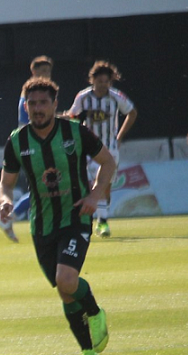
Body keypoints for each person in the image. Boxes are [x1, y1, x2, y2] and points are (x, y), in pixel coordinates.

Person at [0, 77, 116, 355]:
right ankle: (87, 353)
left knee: (66, 280)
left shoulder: (75, 132)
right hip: (42, 225)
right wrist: (5, 202)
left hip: (76, 217)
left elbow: (108, 162)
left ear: (54, 105)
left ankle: (95, 312)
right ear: (25, 107)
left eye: (43, 103)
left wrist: (95, 196)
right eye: (32, 103)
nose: (38, 108)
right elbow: (5, 184)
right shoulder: (17, 141)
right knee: (65, 292)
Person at [67, 61, 137, 238]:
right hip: (88, 149)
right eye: (100, 81)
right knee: (90, 185)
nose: (103, 85)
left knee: (105, 186)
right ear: (93, 80)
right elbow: (72, 117)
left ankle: (102, 220)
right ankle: (93, 221)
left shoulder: (116, 96)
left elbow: (132, 112)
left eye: (106, 81)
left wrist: (120, 136)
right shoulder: (83, 97)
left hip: (110, 148)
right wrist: (75, 123)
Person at [5, 55, 56, 242]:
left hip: (36, 144)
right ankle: (10, 217)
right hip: (33, 146)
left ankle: (10, 219)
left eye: (48, 72)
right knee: (44, 186)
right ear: (34, 72)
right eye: (43, 72)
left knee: (44, 186)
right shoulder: (30, 96)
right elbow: (28, 123)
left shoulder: (38, 95)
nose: (46, 75)